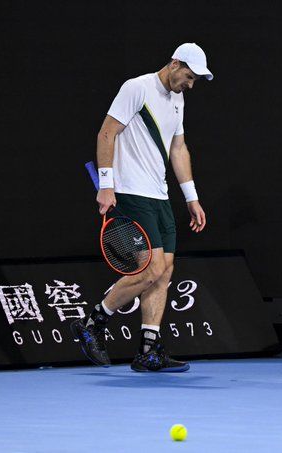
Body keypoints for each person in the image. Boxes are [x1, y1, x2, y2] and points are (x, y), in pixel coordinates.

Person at [70, 43, 213, 372]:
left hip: (159, 196)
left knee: (164, 271)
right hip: (131, 192)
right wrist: (106, 185)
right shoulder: (136, 88)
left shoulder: (178, 99)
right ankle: (92, 324)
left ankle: (149, 349)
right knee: (149, 269)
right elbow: (107, 133)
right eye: (188, 76)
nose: (190, 84)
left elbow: (178, 148)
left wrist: (191, 197)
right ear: (174, 64)